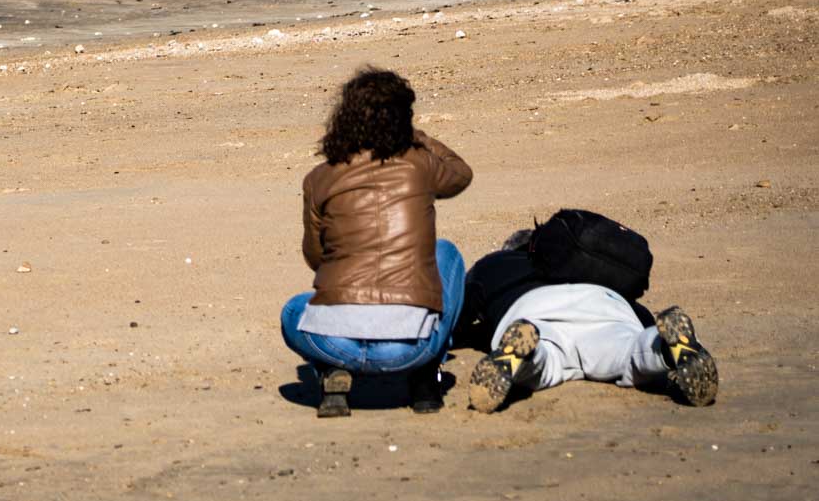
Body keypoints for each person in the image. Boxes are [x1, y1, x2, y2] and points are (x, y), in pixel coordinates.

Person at [279, 68, 472, 417]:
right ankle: (425, 375)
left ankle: (332, 370)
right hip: (412, 348)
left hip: (334, 342)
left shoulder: (319, 178)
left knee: (295, 309)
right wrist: (414, 136)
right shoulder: (420, 164)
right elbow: (460, 174)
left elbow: (316, 256)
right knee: (447, 253)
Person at [461, 228, 719, 412]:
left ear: (510, 250)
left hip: (533, 310)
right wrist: (650, 330)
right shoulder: (586, 264)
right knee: (631, 349)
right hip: (603, 303)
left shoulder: (494, 264)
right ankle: (664, 347)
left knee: (545, 363)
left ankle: (525, 352)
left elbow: (461, 313)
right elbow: (641, 316)